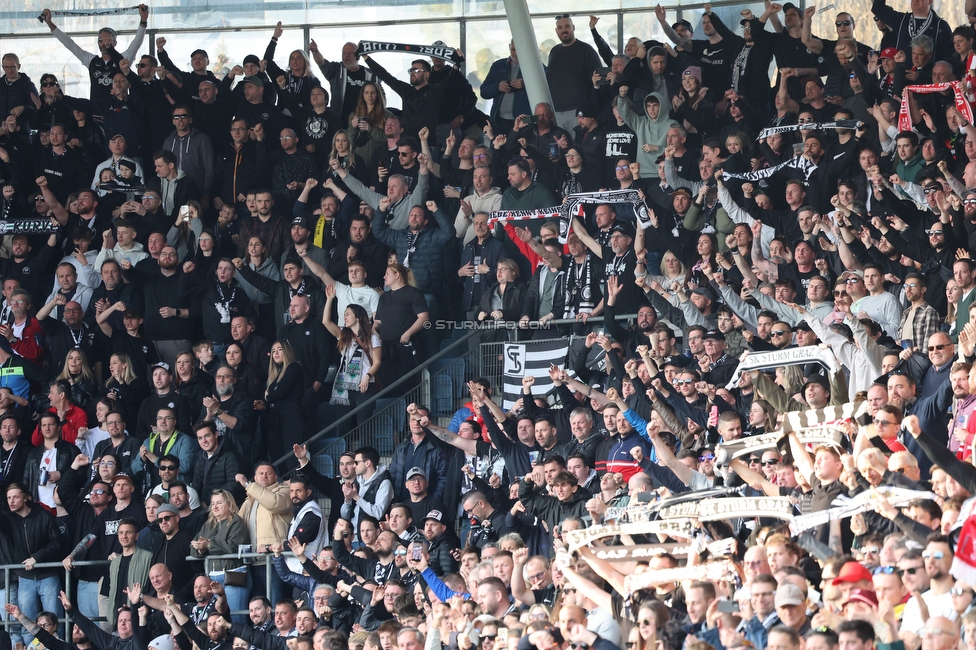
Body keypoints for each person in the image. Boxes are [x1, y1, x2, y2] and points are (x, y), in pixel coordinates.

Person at [323, 292, 381, 433]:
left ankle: (365, 454)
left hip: (365, 386)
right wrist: (330, 299)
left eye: (348, 314)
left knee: (364, 425)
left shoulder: (372, 337)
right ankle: (345, 454)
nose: (345, 317)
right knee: (342, 425)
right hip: (345, 386)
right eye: (344, 314)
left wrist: (367, 376)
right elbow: (326, 322)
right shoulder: (344, 335)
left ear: (358, 317)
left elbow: (377, 362)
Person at [190, 488, 250, 622]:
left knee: (235, 617)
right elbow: (192, 547)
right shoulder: (208, 525)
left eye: (219, 503)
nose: (215, 506)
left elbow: (233, 546)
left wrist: (209, 545)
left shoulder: (236, 522)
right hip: (213, 578)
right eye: (213, 504)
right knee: (217, 620)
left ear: (229, 504)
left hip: (234, 575)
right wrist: (200, 549)